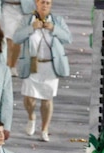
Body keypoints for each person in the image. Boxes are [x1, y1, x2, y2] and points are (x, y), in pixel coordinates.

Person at [11, 0, 71, 142]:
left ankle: (44, 129)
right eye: (42, 2)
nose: (45, 5)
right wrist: (31, 28)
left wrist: (54, 29)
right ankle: (31, 117)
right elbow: (16, 38)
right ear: (36, 4)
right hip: (32, 64)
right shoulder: (26, 20)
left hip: (50, 66)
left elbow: (68, 38)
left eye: (48, 3)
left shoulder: (58, 20)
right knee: (29, 98)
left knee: (47, 99)